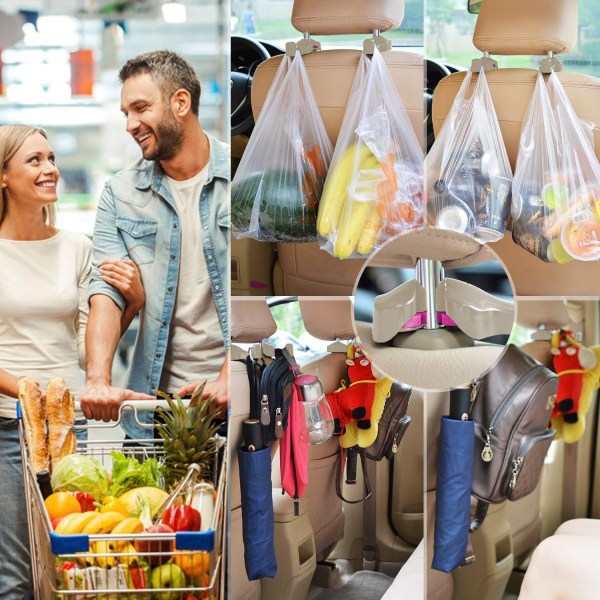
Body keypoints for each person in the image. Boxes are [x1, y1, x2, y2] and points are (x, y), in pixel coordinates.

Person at [0, 125, 144, 599]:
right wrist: (29, 393)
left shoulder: (77, 247)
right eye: (34, 160)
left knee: (69, 564)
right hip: (7, 429)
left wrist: (133, 305)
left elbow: (88, 349)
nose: (50, 169)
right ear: (3, 176)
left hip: (66, 428)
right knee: (17, 576)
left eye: (52, 157)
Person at [79, 50, 230, 440]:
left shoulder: (242, 176)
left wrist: (232, 376)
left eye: (141, 108)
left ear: (181, 103)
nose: (130, 124)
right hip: (153, 407)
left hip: (236, 401)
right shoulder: (120, 193)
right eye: (125, 112)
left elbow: (262, 288)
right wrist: (98, 379)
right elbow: (106, 291)